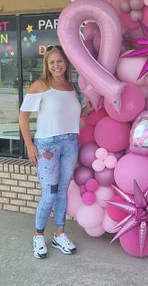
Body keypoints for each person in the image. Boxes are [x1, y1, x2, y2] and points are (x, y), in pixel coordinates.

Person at [19, 45, 82, 259]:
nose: (56, 65)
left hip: (71, 143)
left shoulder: (72, 86)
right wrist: (29, 145)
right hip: (47, 146)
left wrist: (88, 109)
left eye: (60, 61)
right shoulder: (41, 85)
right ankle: (38, 236)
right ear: (47, 64)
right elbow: (23, 116)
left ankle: (59, 234)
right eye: (52, 62)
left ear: (67, 63)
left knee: (63, 191)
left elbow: (70, 113)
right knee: (50, 194)